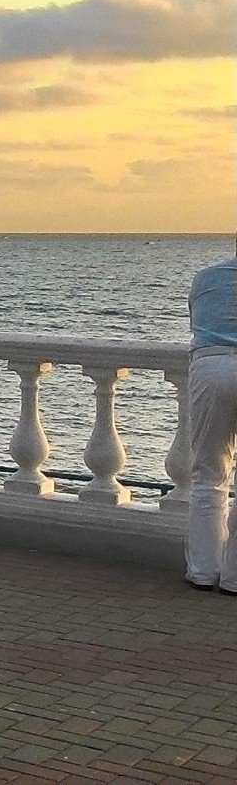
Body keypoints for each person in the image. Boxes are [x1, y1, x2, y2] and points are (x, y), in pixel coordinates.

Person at [184, 245, 237, 591]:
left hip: (210, 365)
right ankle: (234, 578)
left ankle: (203, 571)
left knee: (208, 473)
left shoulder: (206, 277)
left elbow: (196, 321)